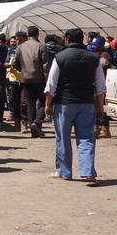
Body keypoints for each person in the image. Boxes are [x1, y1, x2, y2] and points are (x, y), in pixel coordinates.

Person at [44, 28, 106, 185]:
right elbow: (100, 86)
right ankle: (88, 173)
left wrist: (47, 105)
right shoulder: (93, 58)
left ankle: (64, 172)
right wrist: (100, 107)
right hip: (87, 103)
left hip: (64, 104)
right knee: (86, 138)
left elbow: (51, 85)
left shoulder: (60, 57)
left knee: (63, 139)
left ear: (66, 39)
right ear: (83, 40)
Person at [12, 26, 47, 138]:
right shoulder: (41, 46)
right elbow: (46, 65)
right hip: (39, 79)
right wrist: (47, 79)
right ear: (38, 34)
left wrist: (22, 71)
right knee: (43, 101)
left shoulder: (20, 46)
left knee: (30, 104)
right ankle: (37, 123)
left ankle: (33, 130)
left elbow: (15, 63)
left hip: (25, 79)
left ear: (28, 34)